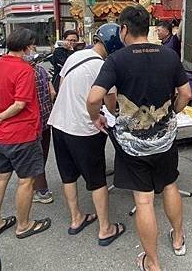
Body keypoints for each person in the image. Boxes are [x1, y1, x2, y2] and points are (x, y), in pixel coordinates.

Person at [87, 5, 192, 271]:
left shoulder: (116, 59)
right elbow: (186, 94)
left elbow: (94, 98)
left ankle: (153, 262)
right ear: (147, 27)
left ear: (123, 29)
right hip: (165, 139)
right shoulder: (168, 56)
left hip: (133, 144)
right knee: (169, 185)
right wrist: (171, 114)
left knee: (144, 200)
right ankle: (178, 239)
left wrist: (95, 117)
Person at [48, 23, 126, 245]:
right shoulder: (104, 67)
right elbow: (110, 102)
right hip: (83, 129)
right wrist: (109, 114)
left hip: (59, 123)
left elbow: (63, 84)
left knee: (68, 175)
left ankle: (76, 218)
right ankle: (105, 228)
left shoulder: (76, 56)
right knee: (96, 179)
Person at [0, 28, 51, 240]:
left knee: (0, 178)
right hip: (23, 134)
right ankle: (23, 224)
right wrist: (0, 117)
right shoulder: (25, 70)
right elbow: (20, 103)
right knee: (25, 181)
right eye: (32, 44)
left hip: (0, 136)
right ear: (27, 46)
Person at [25, 49, 56, 204]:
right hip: (45, 119)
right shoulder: (41, 70)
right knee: (41, 153)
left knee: (32, 156)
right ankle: (40, 187)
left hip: (31, 123)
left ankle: (39, 189)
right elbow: (52, 92)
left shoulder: (24, 73)